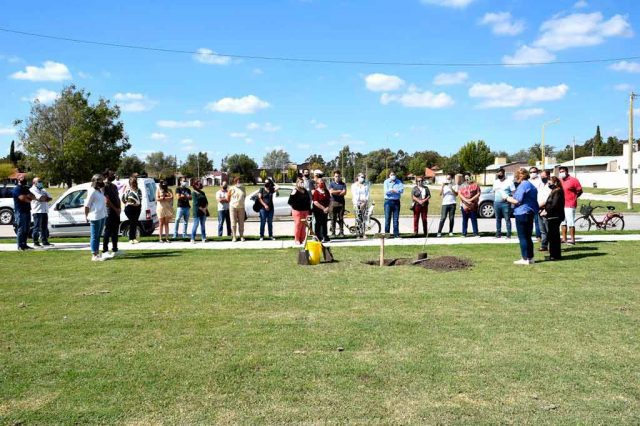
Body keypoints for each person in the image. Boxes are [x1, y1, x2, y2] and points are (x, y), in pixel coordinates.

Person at [506, 168, 539, 265]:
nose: (516, 179)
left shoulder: (523, 185)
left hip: (522, 212)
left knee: (522, 237)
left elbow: (517, 200)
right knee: (528, 237)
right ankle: (531, 257)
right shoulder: (531, 185)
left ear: (520, 176)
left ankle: (525, 258)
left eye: (516, 177)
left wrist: (507, 198)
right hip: (530, 212)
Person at [84, 174, 108, 262]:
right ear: (96, 181)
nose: (103, 182)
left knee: (98, 236)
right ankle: (94, 255)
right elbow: (87, 205)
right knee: (94, 236)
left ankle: (97, 253)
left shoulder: (99, 191)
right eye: (101, 180)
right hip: (95, 216)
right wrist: (86, 216)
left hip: (101, 216)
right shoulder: (92, 191)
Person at [540, 176, 565, 261]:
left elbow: (554, 204)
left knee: (554, 236)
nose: (549, 184)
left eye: (550, 182)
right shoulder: (553, 191)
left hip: (555, 216)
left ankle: (554, 255)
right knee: (553, 236)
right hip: (552, 215)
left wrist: (546, 211)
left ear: (555, 183)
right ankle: (554, 254)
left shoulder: (558, 191)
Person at [559, 166, 583, 245]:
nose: (561, 173)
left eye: (563, 171)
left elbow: (580, 191)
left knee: (571, 222)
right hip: (561, 204)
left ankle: (572, 240)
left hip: (570, 204)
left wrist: (574, 198)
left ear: (567, 171)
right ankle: (564, 238)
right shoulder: (560, 181)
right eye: (560, 171)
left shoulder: (573, 180)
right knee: (563, 222)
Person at [102, 170, 121, 257]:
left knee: (115, 231)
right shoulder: (104, 186)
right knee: (108, 231)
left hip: (117, 211)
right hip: (109, 211)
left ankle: (115, 249)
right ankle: (105, 250)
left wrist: (119, 208)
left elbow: (117, 197)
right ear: (106, 175)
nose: (114, 175)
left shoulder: (114, 186)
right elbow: (107, 200)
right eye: (112, 174)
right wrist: (115, 209)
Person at [30, 176, 53, 247]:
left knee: (44, 227)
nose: (40, 183)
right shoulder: (32, 190)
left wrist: (44, 198)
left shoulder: (43, 190)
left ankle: (44, 241)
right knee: (37, 227)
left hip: (44, 210)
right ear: (34, 183)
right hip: (37, 211)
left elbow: (50, 198)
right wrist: (44, 198)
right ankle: (36, 241)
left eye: (40, 181)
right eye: (39, 181)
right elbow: (40, 198)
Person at [13, 175, 35, 251]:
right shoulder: (17, 189)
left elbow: (33, 197)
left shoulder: (26, 188)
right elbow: (23, 199)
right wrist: (27, 197)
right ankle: (19, 245)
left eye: (24, 178)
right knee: (21, 229)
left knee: (26, 229)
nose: (24, 179)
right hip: (20, 212)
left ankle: (24, 244)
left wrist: (28, 197)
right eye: (22, 178)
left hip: (27, 211)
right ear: (18, 180)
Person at [492, 168, 514, 239]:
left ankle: (508, 234)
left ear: (504, 174)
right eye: (498, 175)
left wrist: (509, 197)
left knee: (507, 219)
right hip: (497, 203)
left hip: (505, 203)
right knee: (498, 219)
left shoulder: (509, 182)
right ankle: (498, 234)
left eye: (501, 174)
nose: (499, 176)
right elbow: (494, 191)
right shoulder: (495, 182)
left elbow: (513, 192)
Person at [289, 178, 310, 245]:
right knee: (298, 225)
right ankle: (297, 239)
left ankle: (302, 239)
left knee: (304, 225)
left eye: (302, 182)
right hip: (297, 211)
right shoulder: (295, 190)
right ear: (297, 183)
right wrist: (292, 195)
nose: (302, 183)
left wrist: (308, 209)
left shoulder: (305, 190)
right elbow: (290, 202)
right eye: (300, 182)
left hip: (305, 211)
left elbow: (308, 200)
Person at [458, 173, 480, 237]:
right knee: (465, 220)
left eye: (467, 177)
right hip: (464, 205)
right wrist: (466, 200)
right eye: (465, 177)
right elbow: (460, 194)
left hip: (473, 205)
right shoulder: (462, 185)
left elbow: (478, 193)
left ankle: (475, 233)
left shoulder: (475, 185)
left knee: (474, 219)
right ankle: (464, 233)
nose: (466, 178)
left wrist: (470, 200)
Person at [122, 175, 142, 244]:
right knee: (132, 222)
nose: (133, 183)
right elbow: (123, 199)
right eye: (131, 182)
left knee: (135, 223)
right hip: (129, 209)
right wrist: (129, 203)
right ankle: (131, 238)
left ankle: (134, 238)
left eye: (134, 182)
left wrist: (135, 203)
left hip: (137, 208)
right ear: (130, 183)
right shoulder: (127, 190)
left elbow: (139, 199)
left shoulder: (138, 190)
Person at [383, 171, 404, 238]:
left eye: (394, 174)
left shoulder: (399, 182)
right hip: (388, 202)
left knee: (396, 219)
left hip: (396, 202)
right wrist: (395, 191)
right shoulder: (386, 182)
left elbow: (401, 191)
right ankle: (387, 234)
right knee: (387, 219)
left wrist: (393, 190)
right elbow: (386, 192)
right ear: (389, 175)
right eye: (391, 174)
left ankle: (396, 234)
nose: (393, 175)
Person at [436, 173, 457, 237]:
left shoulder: (454, 185)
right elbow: (440, 194)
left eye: (449, 179)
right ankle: (439, 232)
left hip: (452, 203)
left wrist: (451, 188)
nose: (448, 180)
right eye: (447, 179)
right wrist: (442, 186)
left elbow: (456, 194)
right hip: (445, 204)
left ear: (451, 179)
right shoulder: (444, 186)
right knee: (443, 218)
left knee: (451, 218)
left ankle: (450, 231)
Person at [351, 173, 370, 238]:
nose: (363, 178)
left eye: (363, 177)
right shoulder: (354, 185)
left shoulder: (366, 185)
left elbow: (367, 194)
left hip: (364, 203)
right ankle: (358, 234)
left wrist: (364, 202)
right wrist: (359, 203)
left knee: (364, 219)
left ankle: (364, 233)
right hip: (357, 204)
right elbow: (354, 195)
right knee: (358, 219)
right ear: (358, 177)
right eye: (361, 177)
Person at [536, 170, 552, 252]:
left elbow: (549, 199)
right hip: (539, 209)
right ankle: (544, 245)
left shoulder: (550, 185)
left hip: (546, 209)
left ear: (548, 176)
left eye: (544, 176)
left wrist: (540, 206)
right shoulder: (540, 185)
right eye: (541, 176)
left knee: (548, 229)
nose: (542, 178)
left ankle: (551, 246)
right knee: (542, 230)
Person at [329, 170, 347, 237]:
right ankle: (333, 233)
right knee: (333, 218)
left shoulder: (343, 184)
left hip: (341, 203)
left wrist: (335, 192)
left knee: (341, 218)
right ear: (334, 177)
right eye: (336, 176)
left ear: (340, 177)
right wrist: (339, 191)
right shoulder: (331, 184)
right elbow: (331, 192)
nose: (337, 177)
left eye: (338, 176)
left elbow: (344, 192)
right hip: (333, 203)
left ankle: (341, 232)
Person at [312, 179, 331, 243]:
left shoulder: (326, 191)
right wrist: (323, 208)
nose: (322, 184)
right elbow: (315, 202)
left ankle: (325, 236)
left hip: (326, 210)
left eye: (323, 183)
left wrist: (328, 207)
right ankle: (318, 237)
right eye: (320, 183)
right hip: (318, 210)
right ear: (317, 184)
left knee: (324, 223)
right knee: (318, 223)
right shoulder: (316, 192)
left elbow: (330, 200)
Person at [228, 177, 246, 242]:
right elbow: (228, 198)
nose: (238, 182)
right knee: (233, 222)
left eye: (239, 181)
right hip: (233, 207)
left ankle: (241, 236)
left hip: (241, 207)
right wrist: (233, 203)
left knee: (241, 223)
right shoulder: (231, 188)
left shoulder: (243, 188)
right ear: (235, 181)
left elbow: (244, 196)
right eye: (237, 181)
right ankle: (234, 237)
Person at [529, 166, 544, 241]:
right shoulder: (528, 181)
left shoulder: (540, 181)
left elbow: (541, 192)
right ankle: (529, 235)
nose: (532, 173)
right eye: (531, 172)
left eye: (534, 172)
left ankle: (539, 236)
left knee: (537, 221)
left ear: (537, 172)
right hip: (529, 203)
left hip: (537, 202)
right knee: (529, 221)